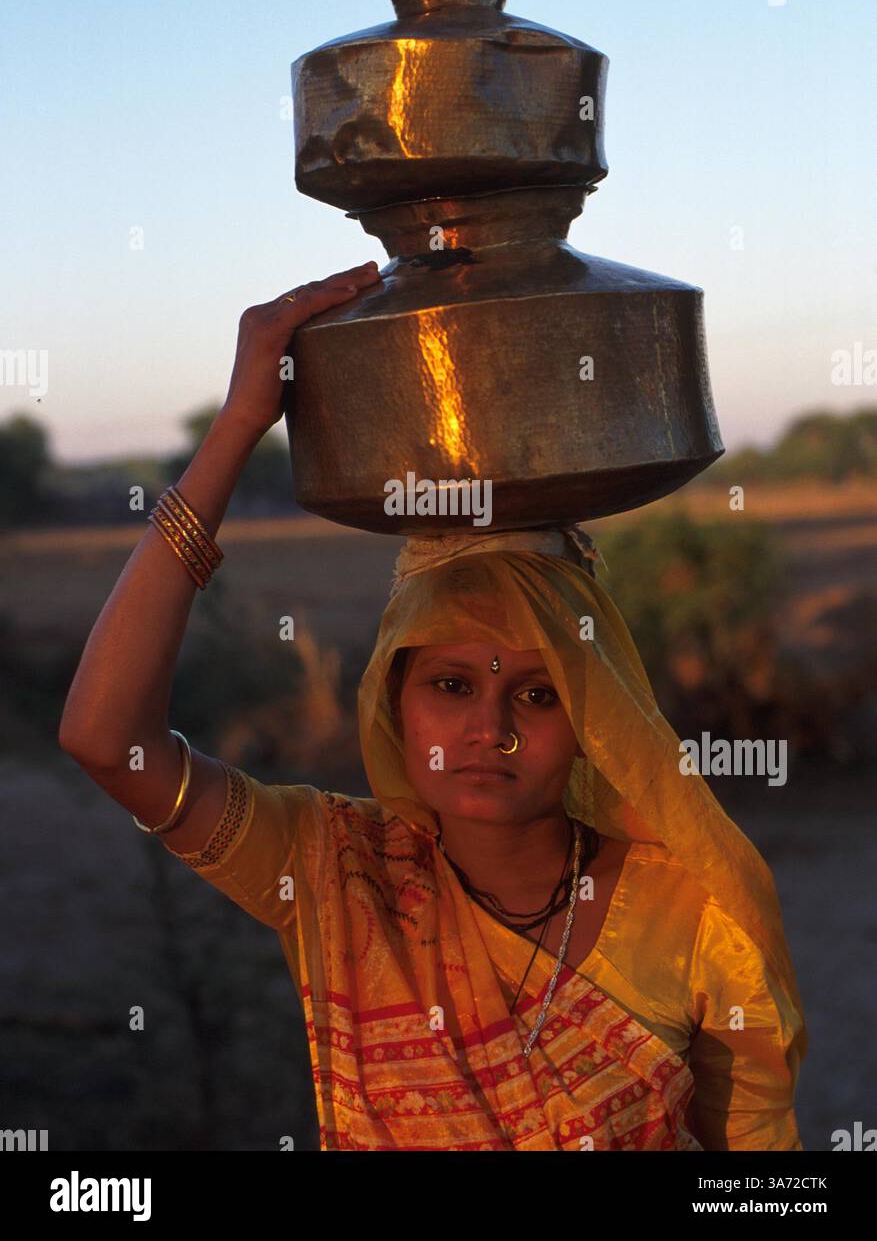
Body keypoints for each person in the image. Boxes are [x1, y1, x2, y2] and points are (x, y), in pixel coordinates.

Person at [59, 261, 807, 1152]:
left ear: (590, 722)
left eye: (536, 693)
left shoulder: (693, 916)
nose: (488, 729)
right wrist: (239, 426)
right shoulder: (338, 875)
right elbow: (108, 743)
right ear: (392, 699)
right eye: (451, 685)